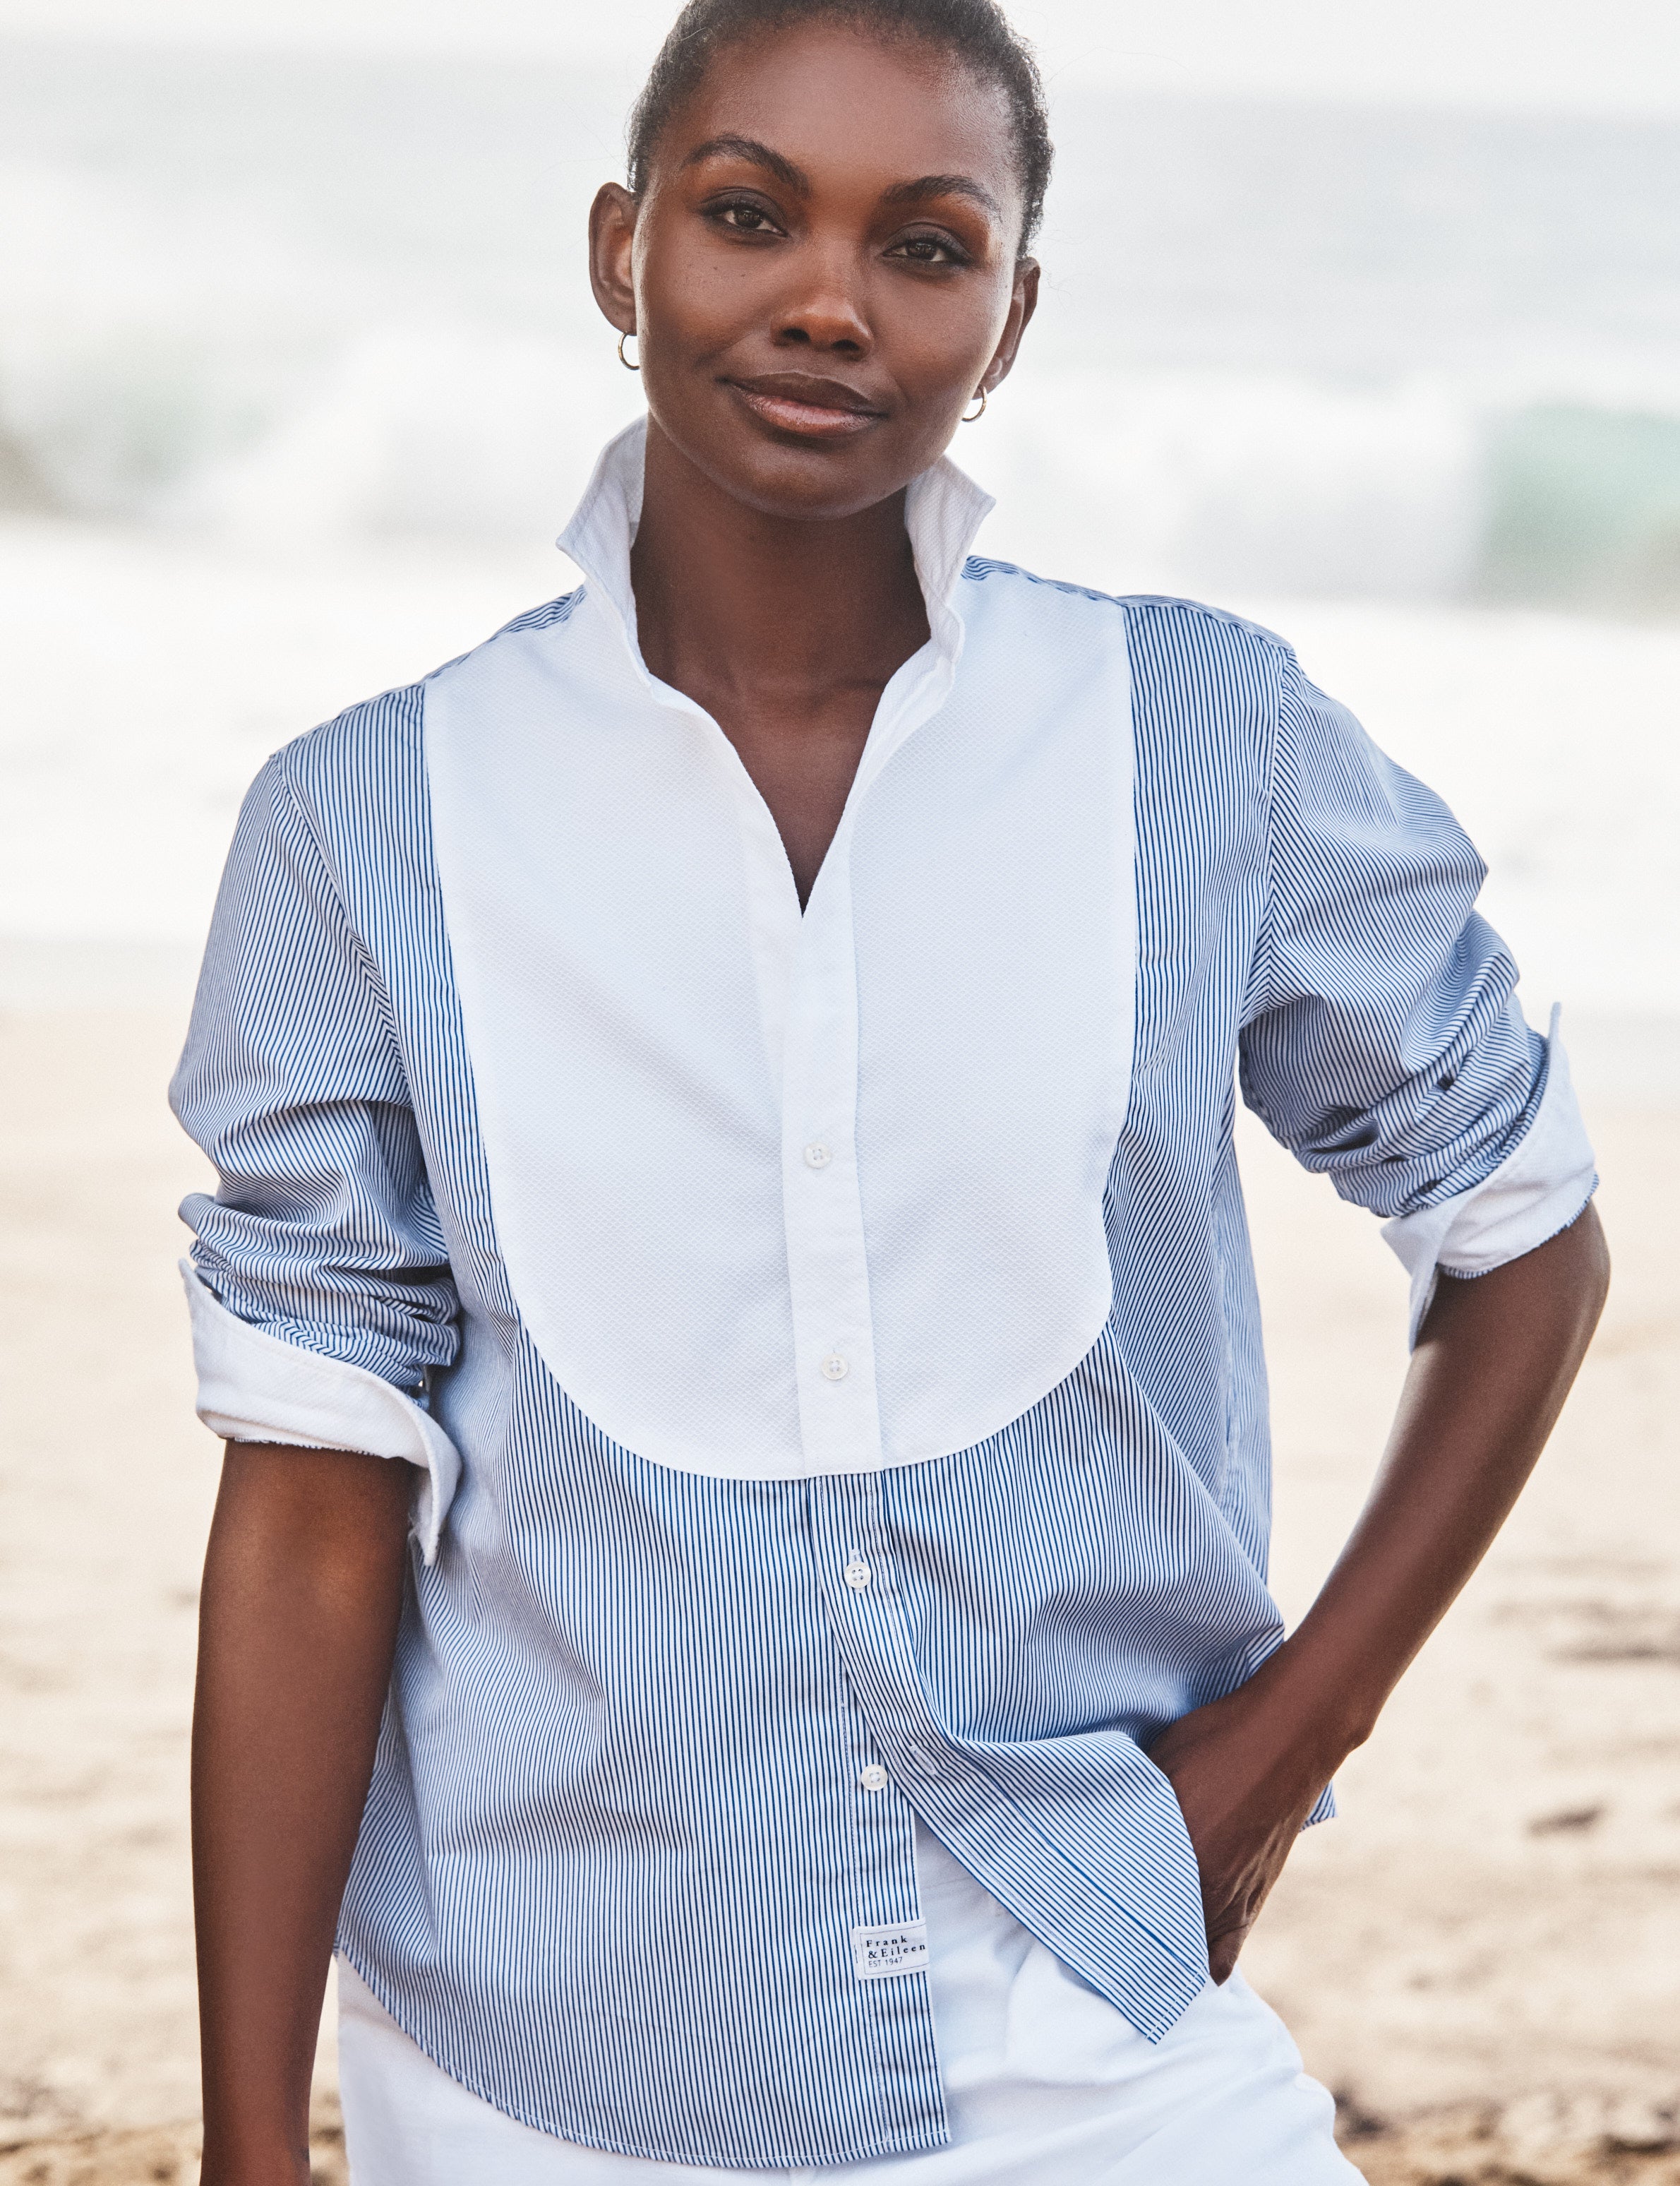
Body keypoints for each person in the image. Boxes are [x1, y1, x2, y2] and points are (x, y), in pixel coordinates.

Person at [173, 2, 1610, 2180]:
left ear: (1009, 318)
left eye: (926, 247)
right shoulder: (366, 828)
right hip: (547, 2066)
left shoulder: (1190, 738)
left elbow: (1518, 1227)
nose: (830, 301)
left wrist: (1285, 1741)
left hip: (1096, 2016)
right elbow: (308, 1503)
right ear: (619, 248)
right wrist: (250, 2148)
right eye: (750, 216)